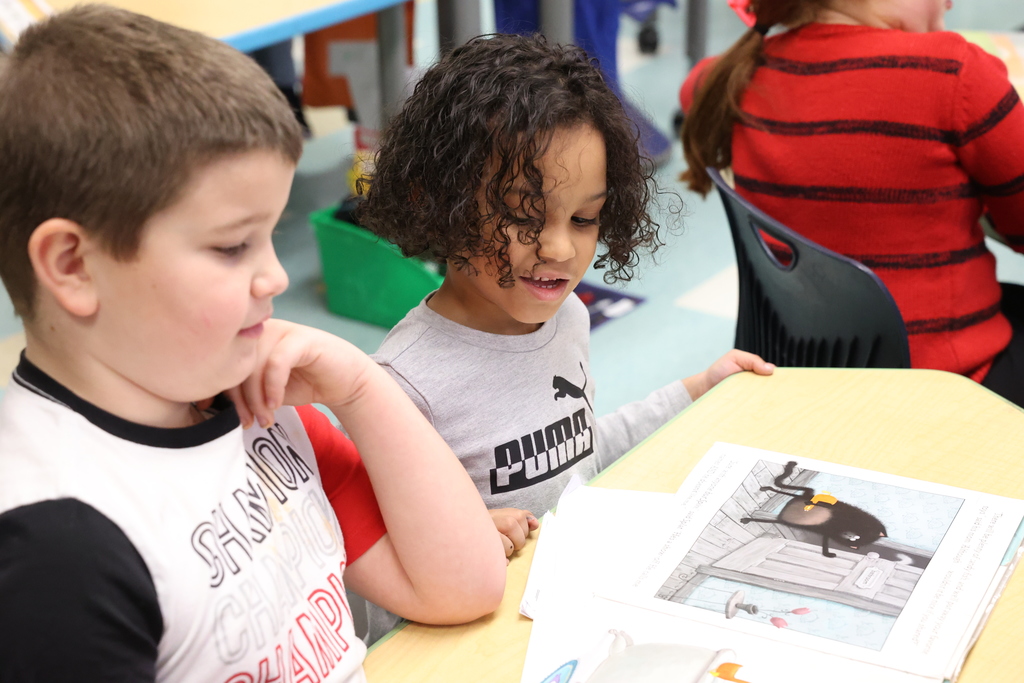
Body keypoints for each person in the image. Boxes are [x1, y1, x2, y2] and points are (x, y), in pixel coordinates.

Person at [0, 6, 505, 681]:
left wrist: (359, 385)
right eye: (234, 245)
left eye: (268, 236)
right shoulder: (58, 549)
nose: (276, 275)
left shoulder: (255, 395)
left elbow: (464, 585)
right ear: (72, 265)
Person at [359, 34, 774, 526]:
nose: (558, 249)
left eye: (583, 220)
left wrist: (696, 392)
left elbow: (581, 459)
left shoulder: (567, 317)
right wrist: (467, 537)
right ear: (440, 203)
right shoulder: (403, 386)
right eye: (523, 215)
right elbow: (377, 567)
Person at [679, 0, 1024, 404]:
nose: (950, 2)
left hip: (798, 369)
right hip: (945, 385)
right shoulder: (955, 72)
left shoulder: (737, 73)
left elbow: (692, 88)